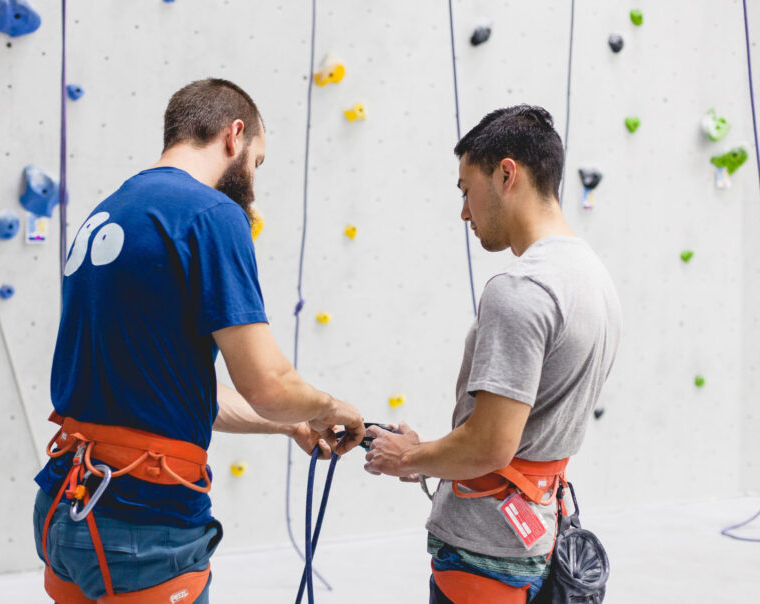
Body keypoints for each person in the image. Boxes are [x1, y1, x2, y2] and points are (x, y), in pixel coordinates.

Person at [33, 78, 365, 604]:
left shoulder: (111, 210)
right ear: (234, 135)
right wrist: (328, 406)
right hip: (142, 524)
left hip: (67, 509)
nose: (252, 181)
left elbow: (174, 398)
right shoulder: (213, 215)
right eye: (257, 161)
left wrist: (293, 425)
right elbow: (266, 383)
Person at [363, 105, 622, 603]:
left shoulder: (520, 288)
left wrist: (409, 456)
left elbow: (491, 447)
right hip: (541, 535)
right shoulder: (593, 277)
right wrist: (428, 455)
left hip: (486, 555)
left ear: (507, 173)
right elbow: (525, 430)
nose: (464, 211)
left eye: (466, 190)